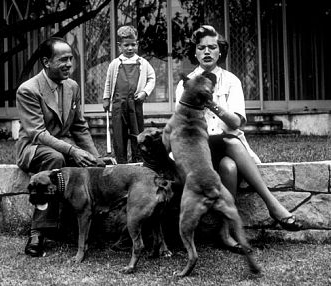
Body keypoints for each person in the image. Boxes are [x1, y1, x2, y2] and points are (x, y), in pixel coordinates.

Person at [175, 25, 302, 254]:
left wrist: (212, 103)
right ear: (195, 52)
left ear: (219, 51)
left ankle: (225, 232)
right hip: (199, 149)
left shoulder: (231, 81)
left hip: (226, 148)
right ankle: (272, 205)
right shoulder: (186, 83)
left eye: (212, 47)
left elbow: (236, 123)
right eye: (201, 47)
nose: (206, 52)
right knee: (232, 142)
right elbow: (182, 123)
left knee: (230, 167)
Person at [16, 37, 103, 257]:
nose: (68, 64)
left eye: (71, 59)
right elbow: (37, 133)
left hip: (63, 145)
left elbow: (79, 127)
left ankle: (89, 229)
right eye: (62, 59)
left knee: (88, 167)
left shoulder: (72, 86)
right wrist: (73, 151)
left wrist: (95, 159)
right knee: (56, 160)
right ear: (46, 62)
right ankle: (38, 232)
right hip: (34, 147)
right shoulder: (28, 90)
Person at [103, 25, 156, 163]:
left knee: (136, 132)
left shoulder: (143, 63)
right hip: (118, 104)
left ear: (137, 44)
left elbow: (152, 78)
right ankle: (121, 160)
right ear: (120, 46)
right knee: (119, 134)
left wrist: (145, 92)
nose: (130, 48)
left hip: (135, 103)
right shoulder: (115, 64)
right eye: (126, 45)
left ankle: (137, 160)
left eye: (133, 45)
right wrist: (106, 98)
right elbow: (108, 82)